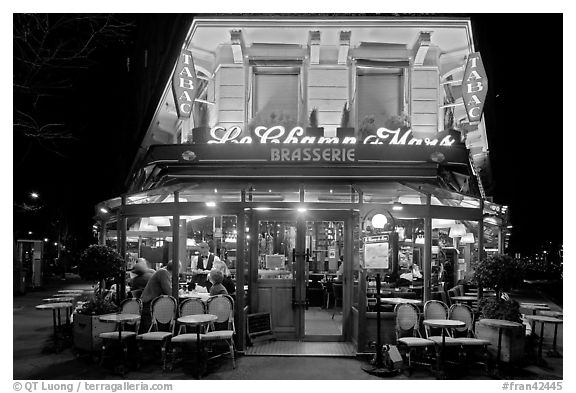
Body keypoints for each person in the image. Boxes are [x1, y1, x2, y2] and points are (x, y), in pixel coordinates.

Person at [140, 261, 179, 333]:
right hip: (149, 304)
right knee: (175, 310)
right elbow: (169, 291)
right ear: (177, 269)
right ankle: (170, 333)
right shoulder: (163, 273)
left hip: (151, 302)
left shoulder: (163, 272)